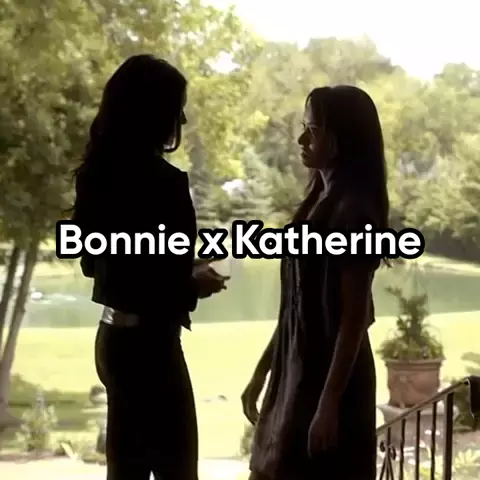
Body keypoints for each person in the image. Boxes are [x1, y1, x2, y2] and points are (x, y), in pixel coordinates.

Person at [70, 54, 227, 480]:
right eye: (178, 108)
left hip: (111, 341)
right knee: (179, 470)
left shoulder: (94, 177)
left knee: (126, 470)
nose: (183, 119)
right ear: (156, 113)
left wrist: (179, 264)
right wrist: (194, 281)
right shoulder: (165, 184)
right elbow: (153, 284)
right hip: (151, 348)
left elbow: (98, 265)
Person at [241, 85, 389, 480]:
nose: (302, 140)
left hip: (330, 383)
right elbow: (297, 308)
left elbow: (353, 319)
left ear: (341, 140)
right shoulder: (315, 204)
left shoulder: (354, 214)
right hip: (297, 374)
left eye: (314, 130)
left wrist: (328, 405)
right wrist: (263, 371)